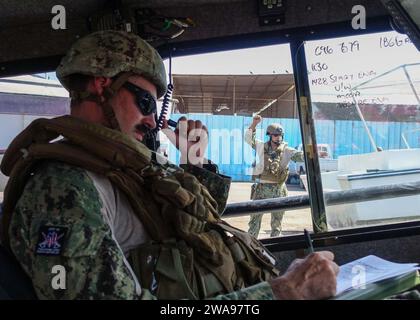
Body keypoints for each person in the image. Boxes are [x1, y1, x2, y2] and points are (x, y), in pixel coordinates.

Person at [0, 30, 338, 300]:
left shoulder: (121, 161)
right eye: (145, 101)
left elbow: (196, 220)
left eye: (156, 110)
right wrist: (283, 293)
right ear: (102, 86)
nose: (151, 120)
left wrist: (195, 159)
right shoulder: (63, 187)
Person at [245, 115, 304, 237]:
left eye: (280, 135)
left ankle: (275, 246)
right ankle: (251, 245)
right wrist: (254, 124)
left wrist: (312, 151)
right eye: (276, 135)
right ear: (270, 135)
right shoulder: (262, 147)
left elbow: (302, 156)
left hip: (279, 190)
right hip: (261, 190)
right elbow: (248, 138)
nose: (278, 138)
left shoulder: (287, 150)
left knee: (276, 224)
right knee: (254, 222)